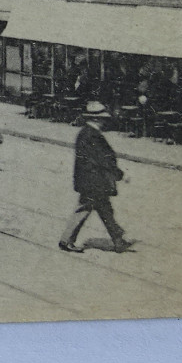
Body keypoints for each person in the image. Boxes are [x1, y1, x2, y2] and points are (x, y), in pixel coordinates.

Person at [59, 101, 130, 253]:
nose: (105, 121)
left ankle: (118, 240)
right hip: (94, 181)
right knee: (85, 209)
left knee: (105, 210)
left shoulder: (86, 133)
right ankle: (66, 240)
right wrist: (120, 174)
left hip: (91, 180)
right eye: (103, 118)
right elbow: (103, 160)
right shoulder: (93, 136)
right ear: (96, 119)